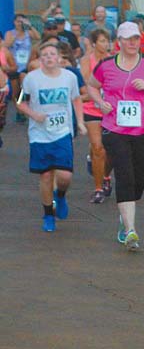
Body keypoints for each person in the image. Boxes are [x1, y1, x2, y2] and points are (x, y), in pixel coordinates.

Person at [87, 22, 144, 250]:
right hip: (115, 129)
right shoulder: (106, 65)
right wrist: (100, 102)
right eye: (128, 39)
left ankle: (125, 218)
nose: (132, 43)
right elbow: (92, 86)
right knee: (124, 176)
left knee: (137, 183)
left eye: (136, 38)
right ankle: (131, 230)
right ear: (119, 41)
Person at [16, 42, 86, 231]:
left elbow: (76, 99)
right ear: (40, 59)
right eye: (45, 54)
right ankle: (48, 215)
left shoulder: (69, 77)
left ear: (59, 58)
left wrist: (80, 122)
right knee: (46, 175)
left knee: (65, 176)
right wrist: (34, 114)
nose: (49, 57)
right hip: (39, 134)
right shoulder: (31, 79)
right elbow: (20, 102)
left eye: (52, 54)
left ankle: (60, 196)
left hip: (63, 131)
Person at [80, 28, 112, 203]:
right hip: (91, 108)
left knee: (109, 149)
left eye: (107, 41)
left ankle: (105, 175)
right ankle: (98, 188)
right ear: (93, 43)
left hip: (110, 108)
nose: (105, 44)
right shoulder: (87, 60)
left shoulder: (113, 59)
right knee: (98, 147)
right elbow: (87, 83)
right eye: (102, 41)